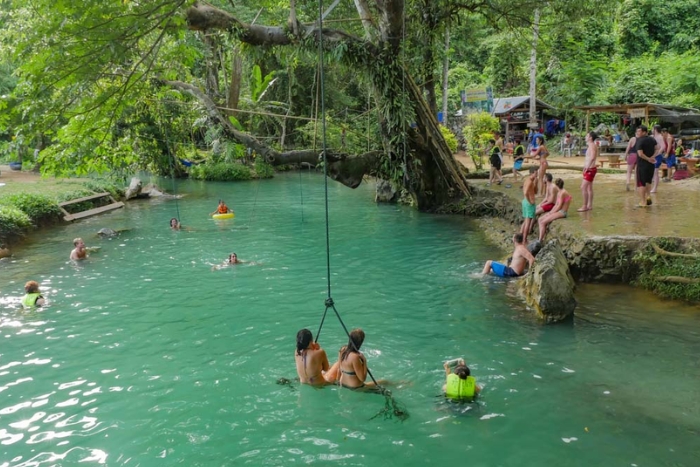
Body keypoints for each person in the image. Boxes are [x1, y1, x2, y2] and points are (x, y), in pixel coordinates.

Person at [635, 125, 659, 208]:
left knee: (641, 183)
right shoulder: (652, 139)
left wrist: (648, 159)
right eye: (637, 131)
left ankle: (643, 201)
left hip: (642, 164)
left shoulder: (640, 141)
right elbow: (657, 148)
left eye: (639, 131)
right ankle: (648, 196)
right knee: (648, 181)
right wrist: (653, 156)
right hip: (651, 165)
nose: (637, 133)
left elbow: (640, 154)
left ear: (644, 132)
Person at [578, 131, 598, 212]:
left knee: (583, 187)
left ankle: (584, 206)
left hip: (590, 169)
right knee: (589, 188)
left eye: (587, 136)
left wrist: (587, 167)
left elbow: (592, 157)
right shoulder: (591, 145)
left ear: (590, 138)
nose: (585, 137)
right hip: (590, 168)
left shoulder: (592, 146)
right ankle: (589, 205)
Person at [520, 167, 538, 242]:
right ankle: (524, 240)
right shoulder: (529, 181)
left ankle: (520, 236)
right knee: (528, 222)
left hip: (525, 202)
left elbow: (535, 192)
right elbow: (525, 192)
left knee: (525, 221)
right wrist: (530, 201)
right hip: (528, 203)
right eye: (535, 173)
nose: (537, 174)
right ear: (531, 173)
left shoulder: (530, 180)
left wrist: (536, 184)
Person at [650, 125, 665, 193]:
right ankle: (653, 187)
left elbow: (663, 147)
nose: (651, 130)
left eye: (652, 129)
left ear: (655, 129)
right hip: (653, 155)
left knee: (655, 172)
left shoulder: (659, 137)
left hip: (657, 156)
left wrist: (657, 153)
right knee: (653, 172)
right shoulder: (653, 136)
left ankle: (655, 188)